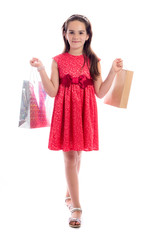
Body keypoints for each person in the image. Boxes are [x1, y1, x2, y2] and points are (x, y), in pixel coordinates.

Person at [30, 14, 123, 228]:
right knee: (70, 157)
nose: (76, 36)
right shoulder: (58, 61)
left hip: (84, 112)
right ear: (65, 33)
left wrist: (113, 72)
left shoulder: (93, 60)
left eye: (81, 32)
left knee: (78, 155)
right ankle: (76, 207)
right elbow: (52, 92)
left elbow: (100, 92)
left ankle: (68, 194)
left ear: (88, 34)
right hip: (65, 113)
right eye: (71, 31)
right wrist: (41, 69)